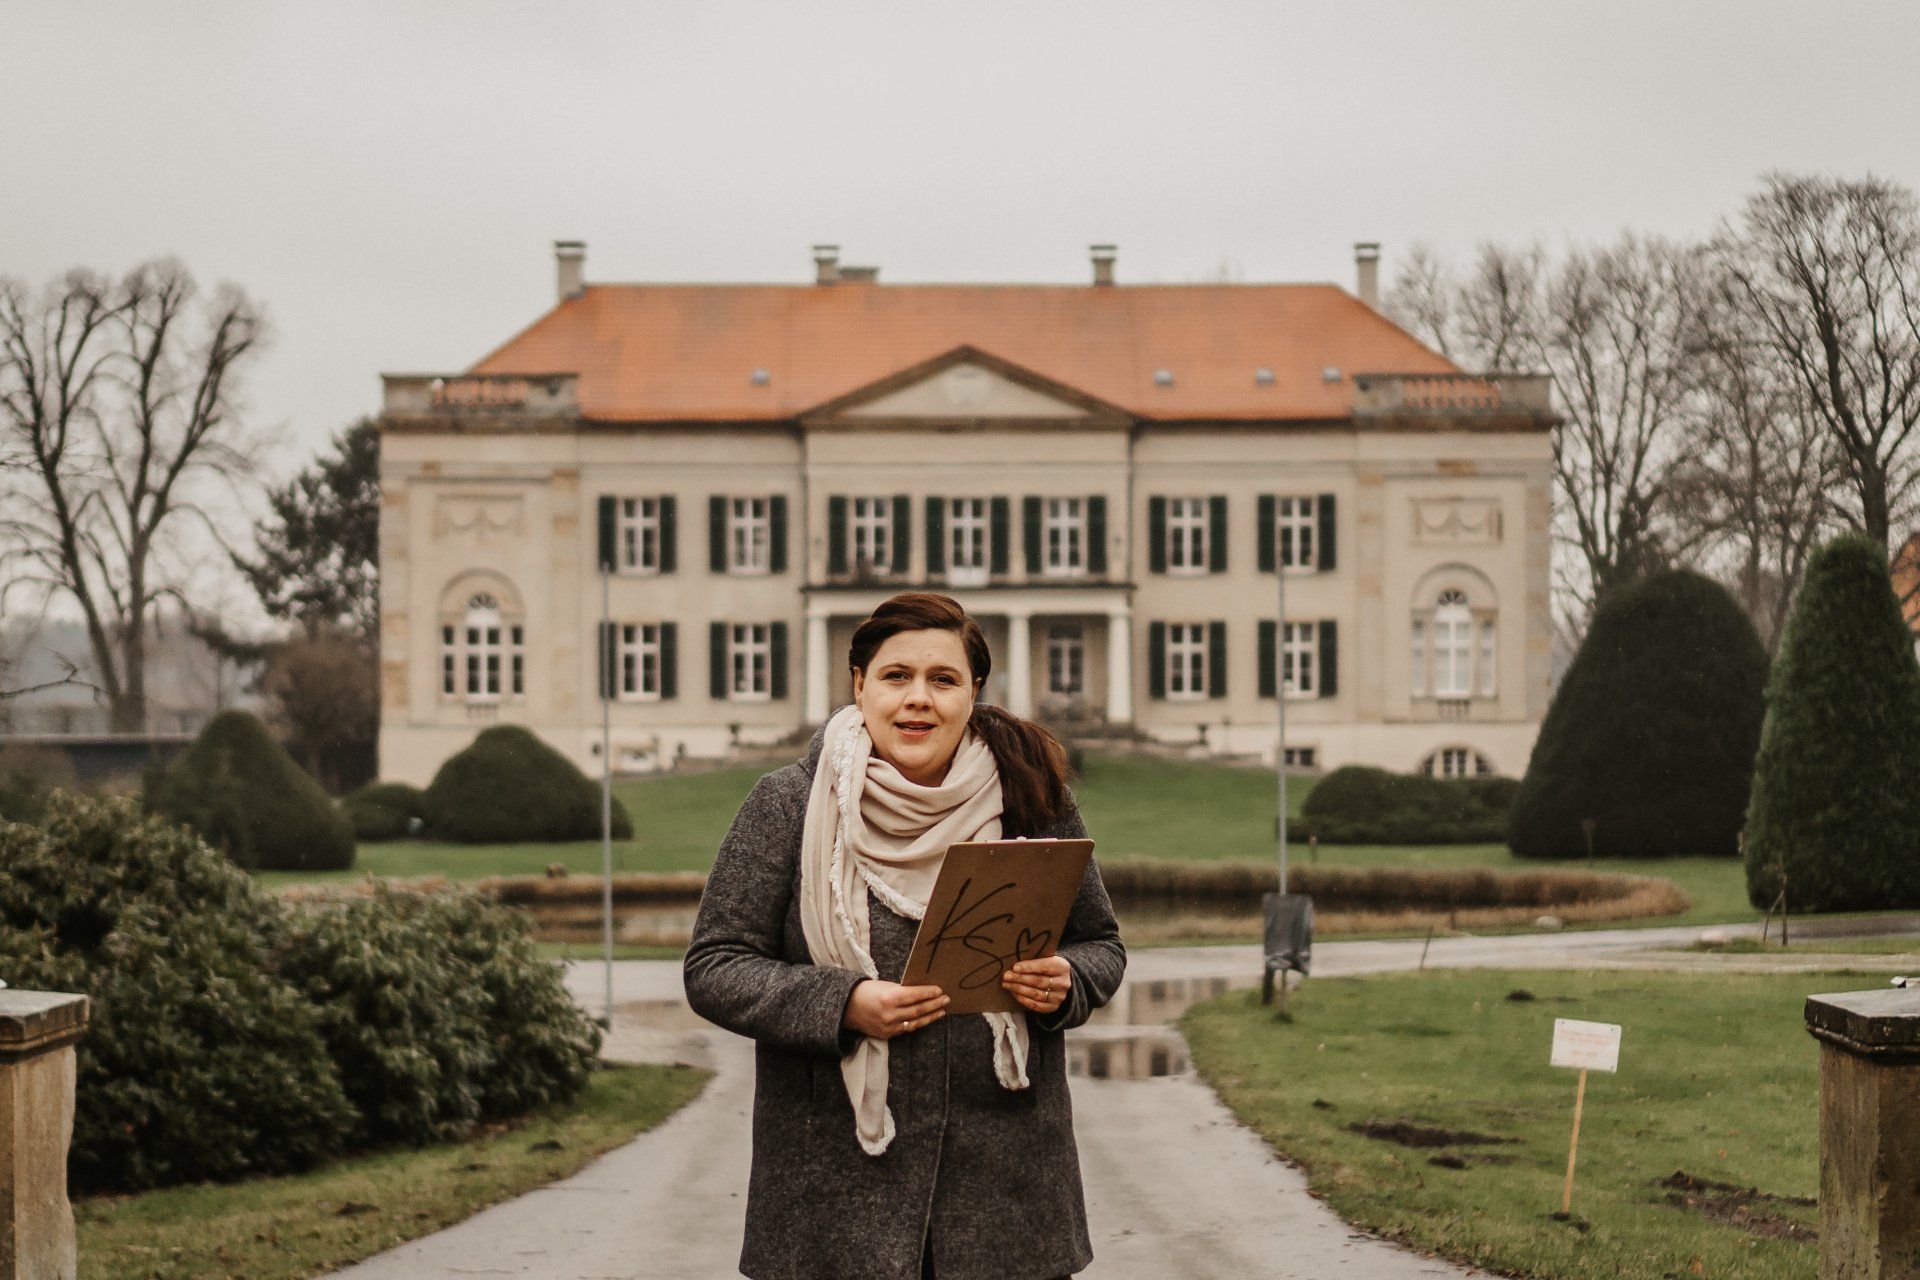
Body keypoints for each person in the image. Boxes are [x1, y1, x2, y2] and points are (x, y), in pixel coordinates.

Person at [684, 591, 1126, 1280]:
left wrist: (1070, 981)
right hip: (831, 1199)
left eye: (943, 679)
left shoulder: (1031, 798)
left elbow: (1100, 945)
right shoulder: (787, 805)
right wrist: (841, 1004)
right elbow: (714, 966)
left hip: (1008, 1197)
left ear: (974, 691)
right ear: (859, 685)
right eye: (897, 676)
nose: (918, 698)